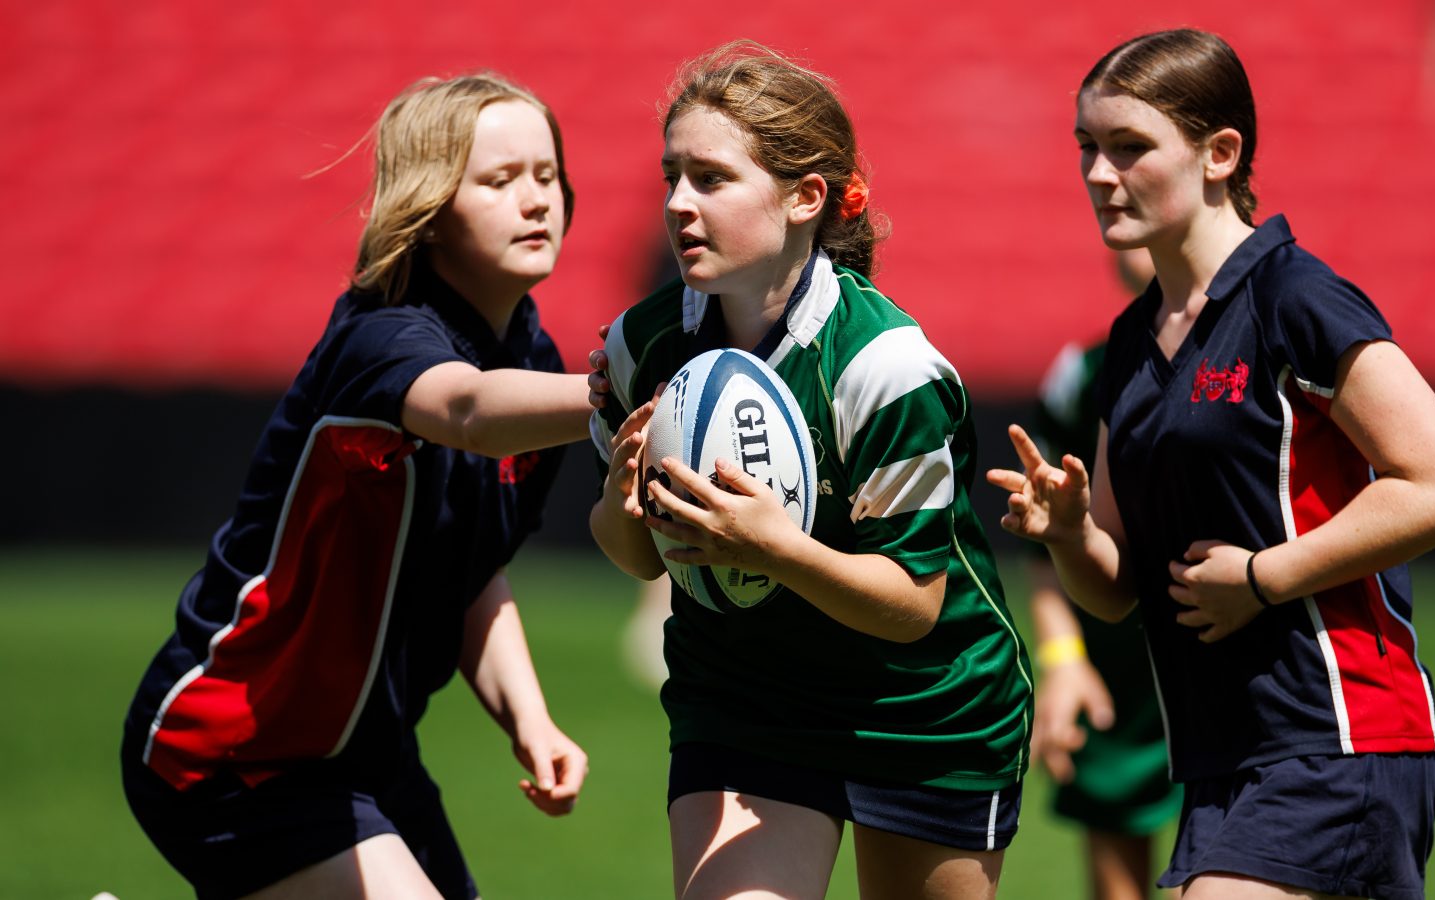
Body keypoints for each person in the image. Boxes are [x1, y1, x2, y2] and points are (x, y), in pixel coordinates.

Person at [988, 29, 1435, 900]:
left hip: (1340, 737)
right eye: (1088, 148)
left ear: (1221, 153)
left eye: (1130, 148)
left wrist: (1262, 575)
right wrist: (1069, 537)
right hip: (1219, 763)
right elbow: (1119, 588)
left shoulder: (1296, 297)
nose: (1099, 174)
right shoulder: (1131, 340)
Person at [121, 73, 594, 900]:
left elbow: (472, 572)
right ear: (432, 205)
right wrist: (639, 391)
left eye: (547, 176)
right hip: (237, 744)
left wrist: (531, 718)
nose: (535, 202)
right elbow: (470, 411)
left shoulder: (534, 362)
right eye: (499, 180)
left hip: (363, 754)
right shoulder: (380, 339)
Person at [588, 41, 1033, 900]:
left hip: (920, 711)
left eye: (711, 179)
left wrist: (775, 547)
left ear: (805, 198)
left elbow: (912, 608)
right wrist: (620, 504)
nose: (678, 203)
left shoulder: (886, 368)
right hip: (745, 696)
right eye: (671, 175)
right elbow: (637, 555)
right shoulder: (642, 346)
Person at [1028, 249, 1182, 900]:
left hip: (1230, 668)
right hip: (1116, 682)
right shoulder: (1080, 378)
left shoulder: (1255, 357)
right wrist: (1063, 659)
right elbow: (1045, 552)